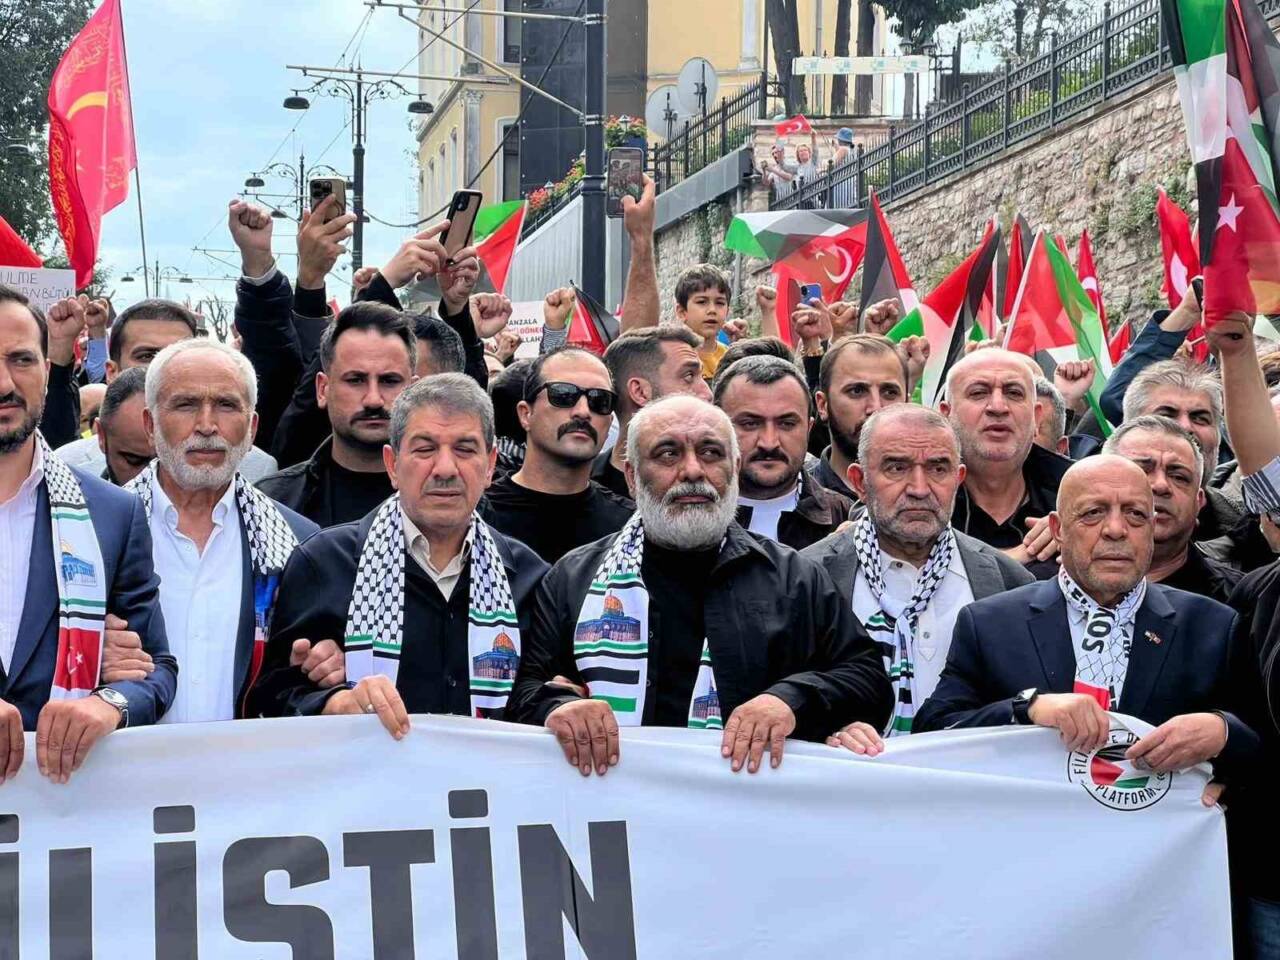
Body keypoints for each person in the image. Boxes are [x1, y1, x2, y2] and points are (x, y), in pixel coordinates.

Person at [507, 395, 892, 775]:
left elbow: (867, 680)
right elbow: (522, 690)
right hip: (612, 802)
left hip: (747, 800)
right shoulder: (574, 577)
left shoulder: (795, 578)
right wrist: (559, 707)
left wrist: (789, 701)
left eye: (710, 453)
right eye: (668, 454)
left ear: (735, 468)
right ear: (632, 477)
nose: (692, 471)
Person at [913, 457, 1262, 795]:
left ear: (1152, 529)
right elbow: (934, 731)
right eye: (1093, 513)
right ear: (1057, 529)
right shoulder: (990, 624)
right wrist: (1027, 708)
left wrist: (1223, 732)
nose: (1115, 530)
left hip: (1155, 834)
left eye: (1136, 514)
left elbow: (1262, 747)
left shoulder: (1213, 626)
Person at [248, 374, 548, 728]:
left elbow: (536, 693)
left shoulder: (528, 577)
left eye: (465, 449)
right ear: (392, 464)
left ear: (491, 465)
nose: (445, 469)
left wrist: (558, 702)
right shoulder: (324, 563)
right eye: (425, 449)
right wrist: (334, 702)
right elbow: (270, 697)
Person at [0, 285, 176, 782]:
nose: (4, 383)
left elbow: (156, 669)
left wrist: (108, 704)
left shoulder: (111, 513)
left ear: (47, 368)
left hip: (64, 804)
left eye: (21, 360)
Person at [108, 339, 317, 723]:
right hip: (123, 759)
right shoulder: (94, 530)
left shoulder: (300, 543)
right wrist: (85, 653)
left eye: (226, 405)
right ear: (150, 425)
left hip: (251, 760)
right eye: (186, 405)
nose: (206, 426)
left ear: (252, 428)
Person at [803, 406, 1033, 749]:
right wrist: (823, 730)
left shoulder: (1010, 584)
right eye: (897, 468)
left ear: (958, 479)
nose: (919, 488)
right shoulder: (808, 577)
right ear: (859, 482)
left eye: (938, 469)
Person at [55, 299, 279, 481]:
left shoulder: (256, 470)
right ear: (112, 373)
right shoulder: (68, 465)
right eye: (147, 356)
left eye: (178, 356)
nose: (163, 368)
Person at [256, 303, 420, 528]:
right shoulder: (271, 505)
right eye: (355, 380)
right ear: (322, 389)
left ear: (414, 390)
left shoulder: (453, 501)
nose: (373, 399)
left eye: (389, 381)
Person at [479, 348, 633, 564]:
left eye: (600, 400)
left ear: (609, 422)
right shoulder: (478, 517)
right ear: (526, 414)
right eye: (563, 395)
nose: (583, 411)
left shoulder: (629, 528)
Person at [940, 348, 1072, 576]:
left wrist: (1079, 530)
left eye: (1014, 393)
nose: (998, 407)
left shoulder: (1077, 497)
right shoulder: (921, 493)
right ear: (946, 415)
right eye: (979, 393)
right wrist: (1019, 555)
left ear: (1036, 418)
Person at [714, 356, 854, 549]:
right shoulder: (687, 519)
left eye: (786, 424)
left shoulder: (849, 520)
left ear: (808, 428)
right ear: (718, 428)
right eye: (750, 423)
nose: (769, 443)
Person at [1103, 416, 1240, 603]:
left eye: (1179, 477)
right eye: (1141, 470)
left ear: (1199, 502)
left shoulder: (1240, 600)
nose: (1161, 485)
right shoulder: (1063, 580)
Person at [1120, 357, 1245, 563]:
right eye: (1167, 415)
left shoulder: (1248, 531)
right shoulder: (1079, 524)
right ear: (1129, 429)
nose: (1185, 427)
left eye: (1200, 418)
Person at [595, 326, 712, 499]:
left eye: (702, 377)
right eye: (689, 376)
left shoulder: (718, 484)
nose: (707, 394)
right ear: (640, 392)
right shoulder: (578, 487)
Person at [812, 334, 909, 500]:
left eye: (889, 392)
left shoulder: (936, 494)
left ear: (908, 402)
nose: (876, 408)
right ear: (822, 405)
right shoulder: (797, 500)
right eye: (857, 391)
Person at [95, 367, 152, 485]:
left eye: (168, 463)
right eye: (134, 460)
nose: (152, 477)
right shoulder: (69, 484)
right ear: (101, 436)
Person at [675, 264, 733, 381]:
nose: (712, 310)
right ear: (682, 312)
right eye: (702, 302)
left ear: (727, 311)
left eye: (720, 303)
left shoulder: (730, 358)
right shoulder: (672, 357)